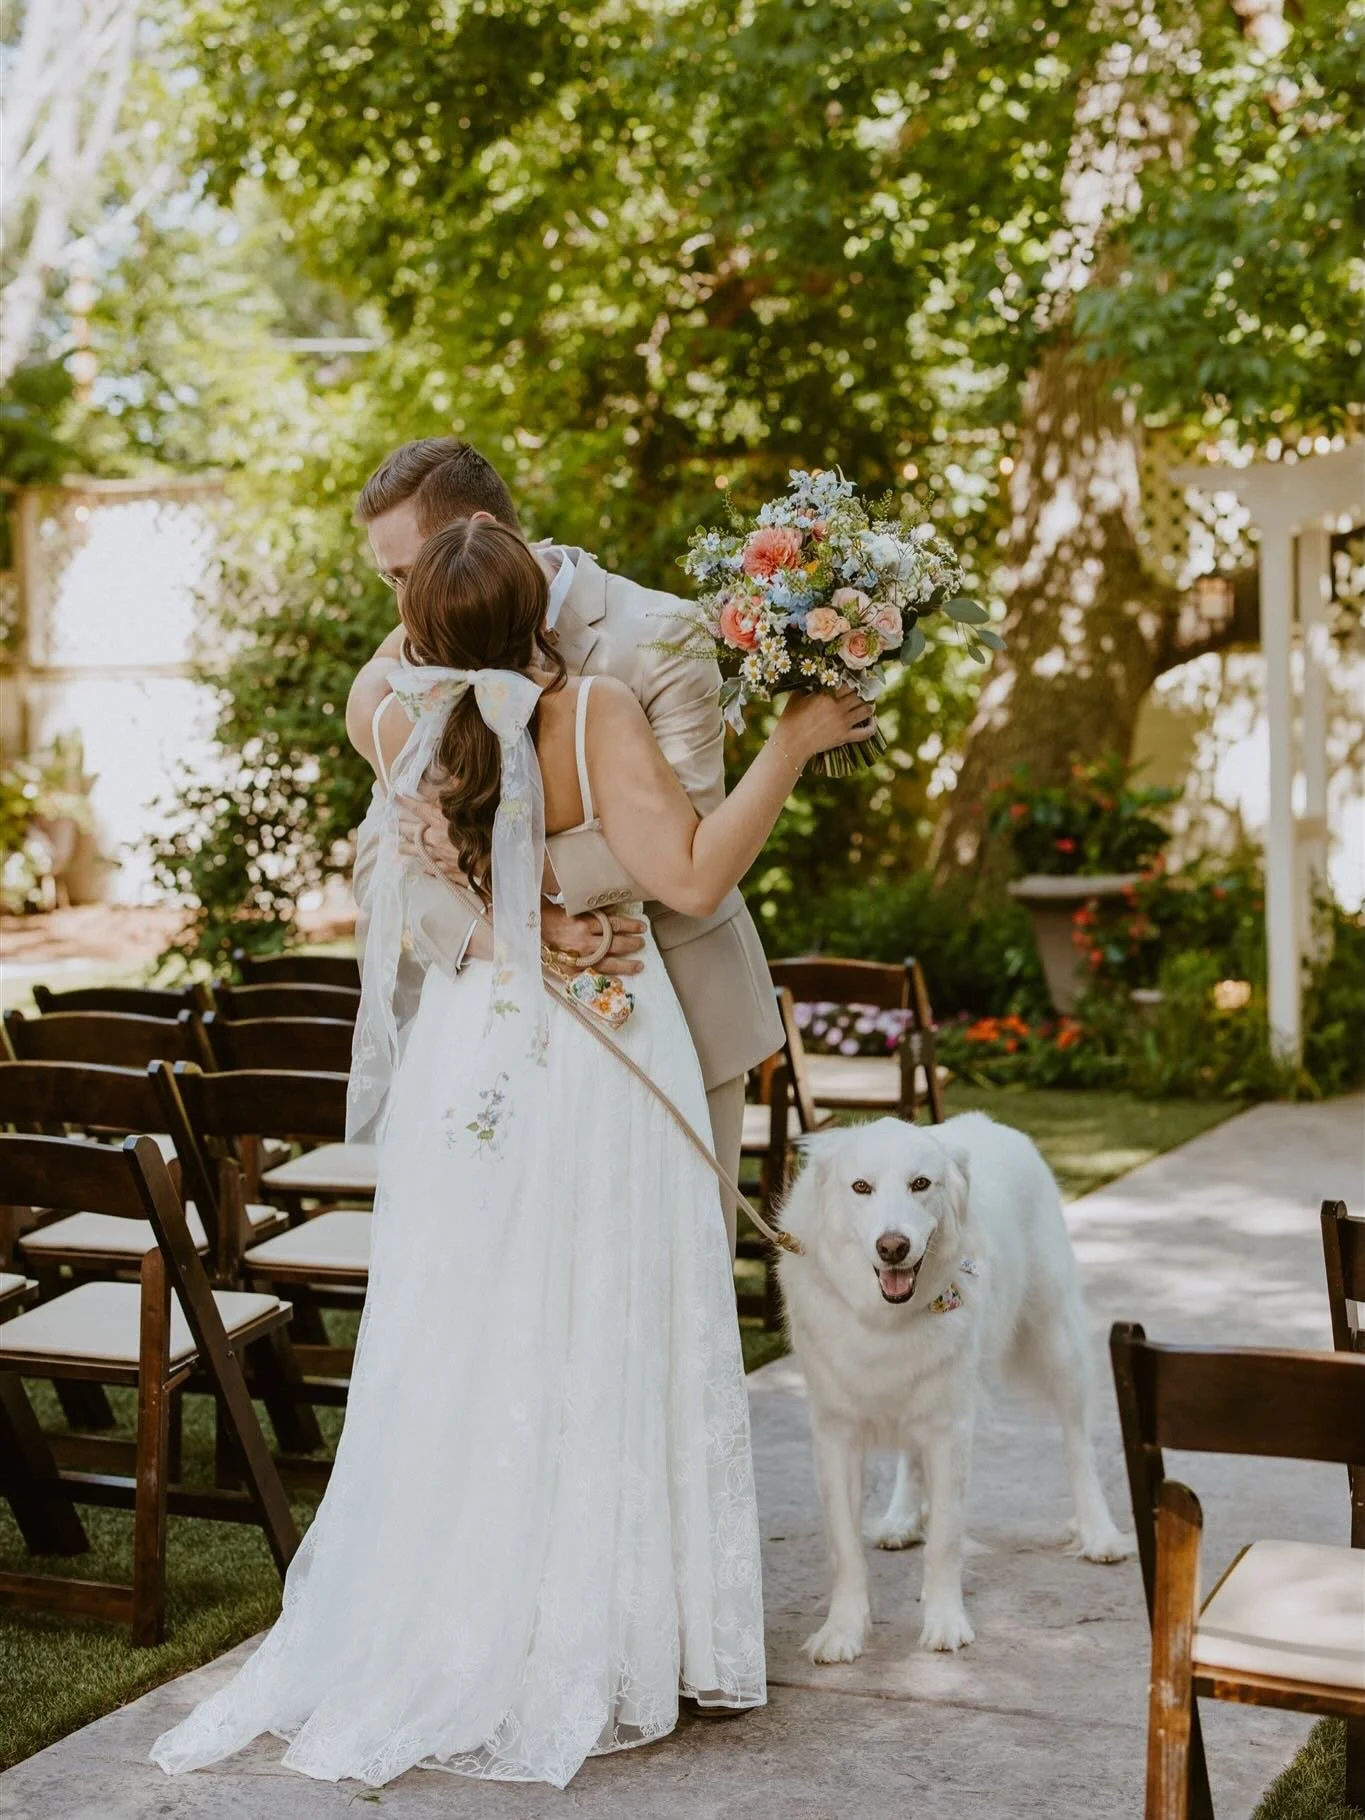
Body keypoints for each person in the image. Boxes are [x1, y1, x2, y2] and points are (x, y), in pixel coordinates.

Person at [151, 517, 874, 1790]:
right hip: (592, 1043)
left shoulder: (404, 720)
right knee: (607, 1307)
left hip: (475, 1057)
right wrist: (794, 744)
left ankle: (481, 1598)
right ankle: (607, 1625)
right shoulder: (591, 709)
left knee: (480, 1318)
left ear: (420, 629)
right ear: (543, 603)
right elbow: (697, 877)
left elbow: (418, 862)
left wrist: (510, 914)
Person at [349, 436, 783, 1257]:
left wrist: (496, 868)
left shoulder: (660, 633)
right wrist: (513, 930)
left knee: (673, 1277)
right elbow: (385, 858)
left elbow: (687, 839)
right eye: (391, 582)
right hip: (503, 1012)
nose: (402, 607)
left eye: (404, 574)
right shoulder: (413, 655)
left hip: (672, 996)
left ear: (476, 528)